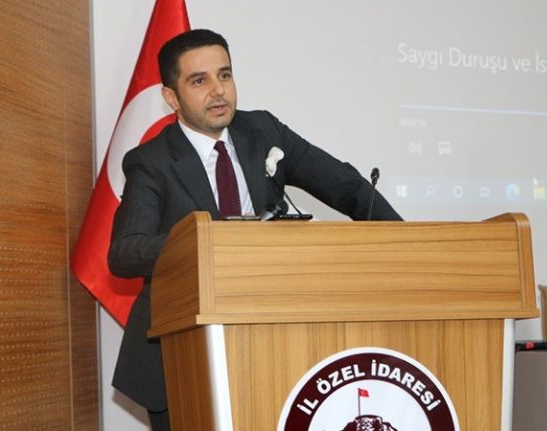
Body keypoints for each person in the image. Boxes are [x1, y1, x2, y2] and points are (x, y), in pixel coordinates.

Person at [108, 29, 402, 430]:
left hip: (271, 339)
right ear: (171, 98)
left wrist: (404, 242)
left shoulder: (263, 131)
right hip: (179, 353)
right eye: (199, 81)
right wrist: (209, 241)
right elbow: (125, 252)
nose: (218, 91)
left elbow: (347, 187)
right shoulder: (152, 160)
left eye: (225, 75)